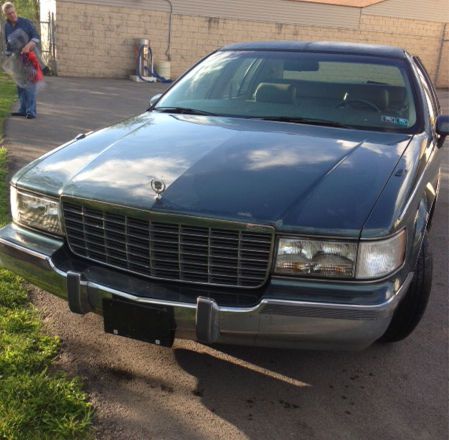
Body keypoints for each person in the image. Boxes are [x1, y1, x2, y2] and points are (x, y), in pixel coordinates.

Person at [2, 1, 40, 119]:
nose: (12, 15)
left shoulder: (26, 23)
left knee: (30, 85)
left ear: (15, 11)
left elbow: (36, 37)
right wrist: (7, 55)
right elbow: (8, 44)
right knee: (20, 86)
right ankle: (23, 109)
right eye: (9, 14)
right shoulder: (6, 26)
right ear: (6, 15)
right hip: (16, 60)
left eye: (13, 12)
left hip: (29, 58)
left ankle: (31, 111)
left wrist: (29, 45)